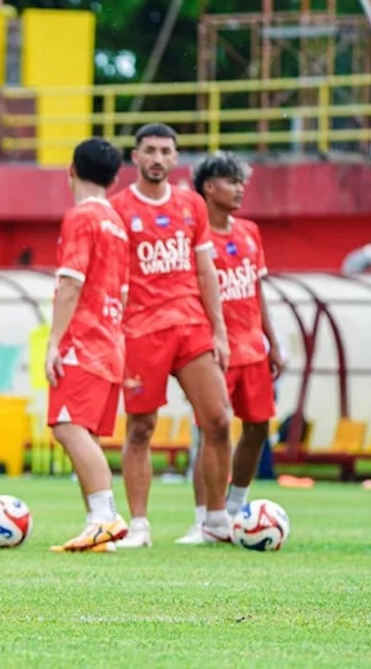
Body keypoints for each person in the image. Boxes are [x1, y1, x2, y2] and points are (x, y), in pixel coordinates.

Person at [109, 123, 233, 547]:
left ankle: (215, 519)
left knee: (218, 419)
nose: (158, 158)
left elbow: (205, 270)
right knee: (141, 427)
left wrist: (220, 331)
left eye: (166, 151)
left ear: (176, 158)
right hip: (141, 331)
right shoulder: (118, 209)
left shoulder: (191, 206)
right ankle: (139, 525)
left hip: (191, 326)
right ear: (136, 156)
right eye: (150, 151)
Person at [173, 151, 285, 544]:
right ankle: (205, 519)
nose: (239, 190)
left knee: (258, 427)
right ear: (209, 187)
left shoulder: (250, 232)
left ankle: (237, 506)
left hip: (253, 347)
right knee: (212, 430)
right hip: (213, 348)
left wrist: (272, 341)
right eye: (231, 182)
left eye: (241, 183)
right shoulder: (193, 240)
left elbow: (257, 290)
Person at [45, 137, 130, 553]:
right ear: (115, 178)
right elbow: (125, 292)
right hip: (111, 341)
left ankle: (106, 517)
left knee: (67, 426)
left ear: (71, 170)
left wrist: (54, 343)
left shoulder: (82, 218)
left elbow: (71, 284)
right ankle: (99, 531)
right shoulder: (117, 223)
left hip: (84, 340)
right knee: (85, 434)